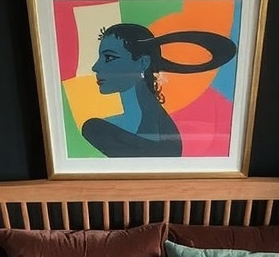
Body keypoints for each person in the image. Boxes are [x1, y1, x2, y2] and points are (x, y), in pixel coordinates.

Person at [82, 22, 236, 158]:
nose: (95, 67)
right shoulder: (115, 125)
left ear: (143, 62)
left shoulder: (100, 130)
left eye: (109, 58)